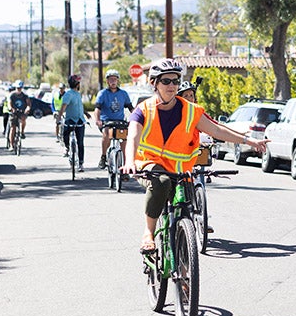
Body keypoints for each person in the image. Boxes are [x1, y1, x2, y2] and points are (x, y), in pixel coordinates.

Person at [122, 58, 268, 253]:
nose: (172, 86)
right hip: (150, 165)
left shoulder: (191, 110)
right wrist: (130, 162)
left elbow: (217, 130)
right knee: (162, 183)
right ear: (154, 83)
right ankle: (148, 232)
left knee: (184, 203)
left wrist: (249, 141)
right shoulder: (143, 109)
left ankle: (184, 257)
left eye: (175, 81)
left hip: (181, 169)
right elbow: (133, 137)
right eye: (166, 81)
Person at [94, 69, 134, 169]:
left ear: (117, 81)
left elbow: (131, 108)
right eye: (110, 79)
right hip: (106, 121)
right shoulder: (102, 94)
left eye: (115, 79)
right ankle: (103, 156)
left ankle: (125, 166)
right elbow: (97, 109)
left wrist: (136, 119)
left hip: (119, 122)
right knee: (106, 133)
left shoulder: (123, 94)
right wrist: (98, 120)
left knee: (124, 141)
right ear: (107, 81)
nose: (113, 81)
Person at [57, 74, 90, 172]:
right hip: (70, 120)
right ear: (76, 84)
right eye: (79, 83)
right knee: (65, 135)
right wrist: (59, 118)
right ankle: (67, 148)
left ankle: (80, 163)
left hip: (80, 120)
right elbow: (63, 107)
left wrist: (86, 113)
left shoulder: (77, 94)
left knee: (80, 143)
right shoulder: (68, 94)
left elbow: (79, 107)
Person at [9, 80, 31, 150]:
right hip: (14, 112)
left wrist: (27, 109)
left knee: (23, 119)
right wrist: (11, 109)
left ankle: (22, 132)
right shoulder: (12, 95)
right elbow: (9, 103)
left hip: (22, 112)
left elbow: (28, 104)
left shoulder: (25, 96)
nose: (19, 89)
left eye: (20, 88)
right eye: (18, 88)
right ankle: (11, 145)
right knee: (13, 128)